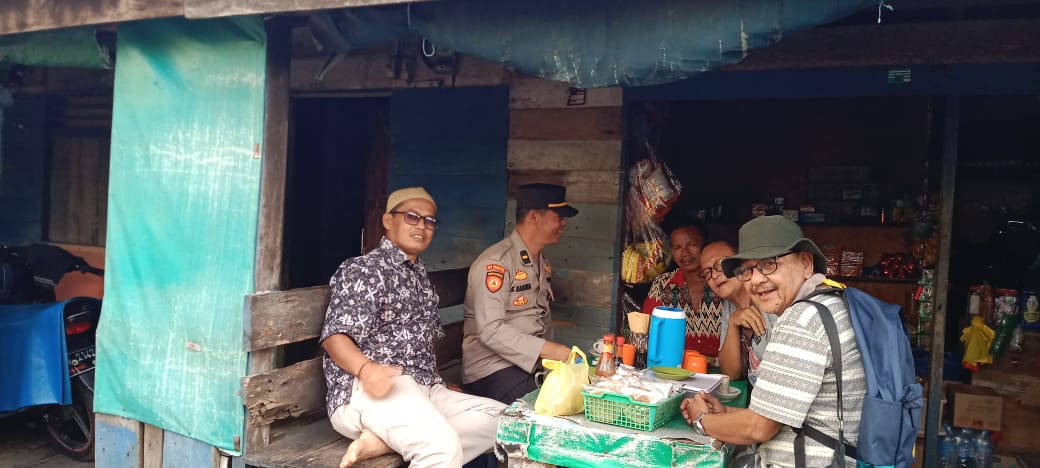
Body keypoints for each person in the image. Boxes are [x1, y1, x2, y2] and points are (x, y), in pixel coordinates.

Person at [320, 187, 506, 468]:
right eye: (412, 217)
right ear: (387, 221)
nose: (422, 225)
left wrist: (439, 384)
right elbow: (335, 337)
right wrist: (366, 369)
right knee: (440, 450)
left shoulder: (419, 275)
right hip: (370, 388)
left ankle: (383, 441)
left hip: (425, 390)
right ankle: (406, 439)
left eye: (430, 221)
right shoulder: (365, 269)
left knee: (505, 424)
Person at [680, 216, 866, 467]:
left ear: (805, 264)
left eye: (769, 264)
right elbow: (774, 415)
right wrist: (725, 414)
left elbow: (760, 428)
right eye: (747, 270)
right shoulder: (827, 302)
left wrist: (701, 418)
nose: (756, 279)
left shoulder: (802, 319)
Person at [462, 183, 578, 404]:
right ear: (534, 216)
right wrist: (548, 350)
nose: (564, 222)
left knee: (575, 395)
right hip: (491, 369)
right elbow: (489, 331)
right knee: (549, 408)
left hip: (528, 366)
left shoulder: (540, 262)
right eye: (558, 216)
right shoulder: (497, 263)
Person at [699, 240, 777, 385]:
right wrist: (733, 323)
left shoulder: (770, 300)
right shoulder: (729, 305)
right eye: (707, 273)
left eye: (720, 265)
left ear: (741, 264)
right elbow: (730, 373)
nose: (714, 275)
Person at [641, 224, 725, 358]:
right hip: (674, 367)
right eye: (677, 247)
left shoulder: (723, 281)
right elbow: (646, 328)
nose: (685, 253)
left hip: (722, 369)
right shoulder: (662, 284)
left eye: (692, 244)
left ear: (705, 246)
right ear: (672, 253)